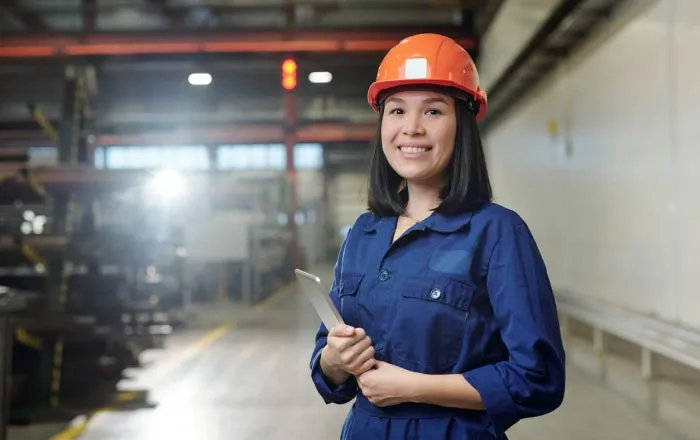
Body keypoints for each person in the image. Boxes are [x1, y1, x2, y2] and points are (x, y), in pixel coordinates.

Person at [308, 33, 566, 440]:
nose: (411, 128)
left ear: (461, 124)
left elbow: (539, 378)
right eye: (396, 111)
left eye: (432, 111)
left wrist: (412, 387)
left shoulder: (497, 232)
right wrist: (335, 360)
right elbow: (327, 369)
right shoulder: (364, 232)